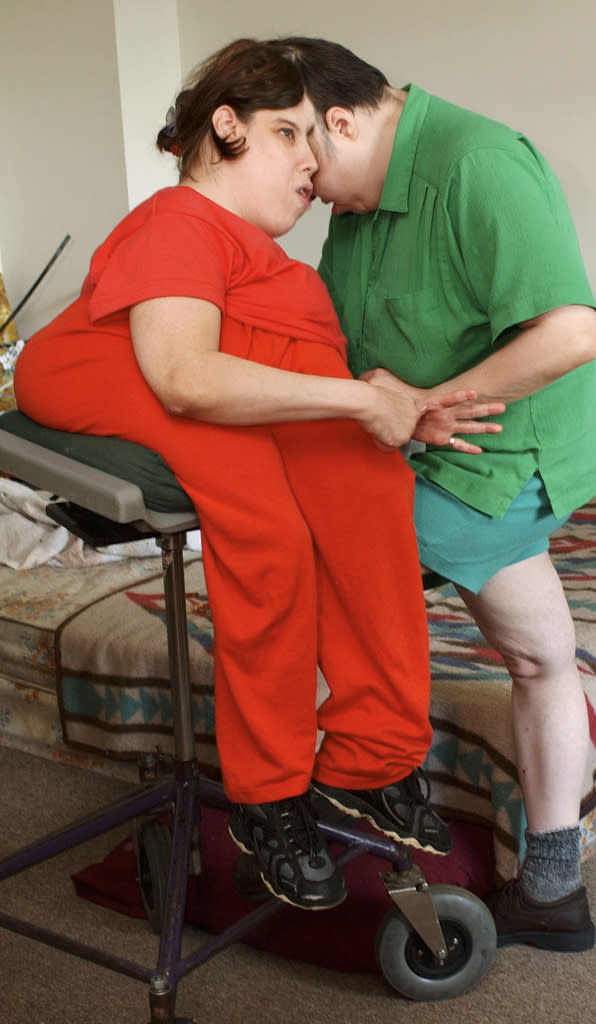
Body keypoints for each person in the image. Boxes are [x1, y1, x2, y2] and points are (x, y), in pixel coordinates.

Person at [13, 40, 503, 912]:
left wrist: (377, 405)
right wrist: (356, 401)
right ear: (225, 124)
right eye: (288, 133)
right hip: (113, 366)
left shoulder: (275, 266)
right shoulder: (177, 222)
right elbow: (183, 376)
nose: (311, 161)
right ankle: (270, 790)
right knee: (270, 530)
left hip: (212, 366)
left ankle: (374, 753)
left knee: (368, 482)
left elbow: (300, 382)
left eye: (319, 142)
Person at [273, 36, 596, 949]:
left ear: (339, 122)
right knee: (538, 652)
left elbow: (571, 333)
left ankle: (356, 821)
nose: (302, 188)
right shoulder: (365, 189)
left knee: (320, 579)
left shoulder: (479, 165)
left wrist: (421, 401)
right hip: (405, 445)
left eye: (305, 162)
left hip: (498, 450)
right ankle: (545, 882)